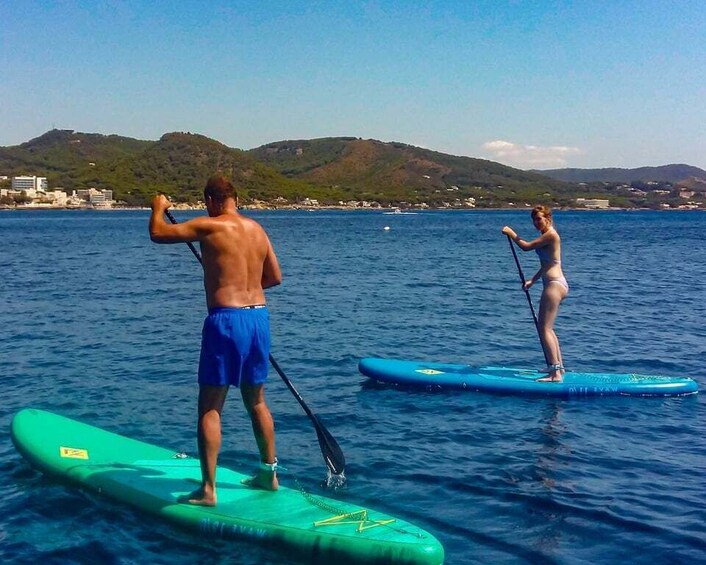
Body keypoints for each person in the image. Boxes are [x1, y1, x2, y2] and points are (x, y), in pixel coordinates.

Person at [149, 174, 282, 506]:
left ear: (210, 200)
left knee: (210, 406)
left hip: (225, 320)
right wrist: (244, 283)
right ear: (235, 198)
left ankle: (208, 490)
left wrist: (158, 207)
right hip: (258, 318)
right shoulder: (257, 229)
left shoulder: (210, 227)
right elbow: (274, 278)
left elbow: (158, 233)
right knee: (257, 401)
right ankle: (269, 476)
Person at [502, 205, 568, 382]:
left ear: (548, 218)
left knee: (544, 328)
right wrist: (532, 281)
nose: (536, 223)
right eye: (534, 220)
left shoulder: (551, 234)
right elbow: (547, 264)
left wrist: (511, 233)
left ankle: (555, 374)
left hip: (554, 285)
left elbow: (525, 247)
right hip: (554, 283)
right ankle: (558, 368)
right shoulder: (546, 235)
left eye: (539, 219)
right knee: (548, 328)